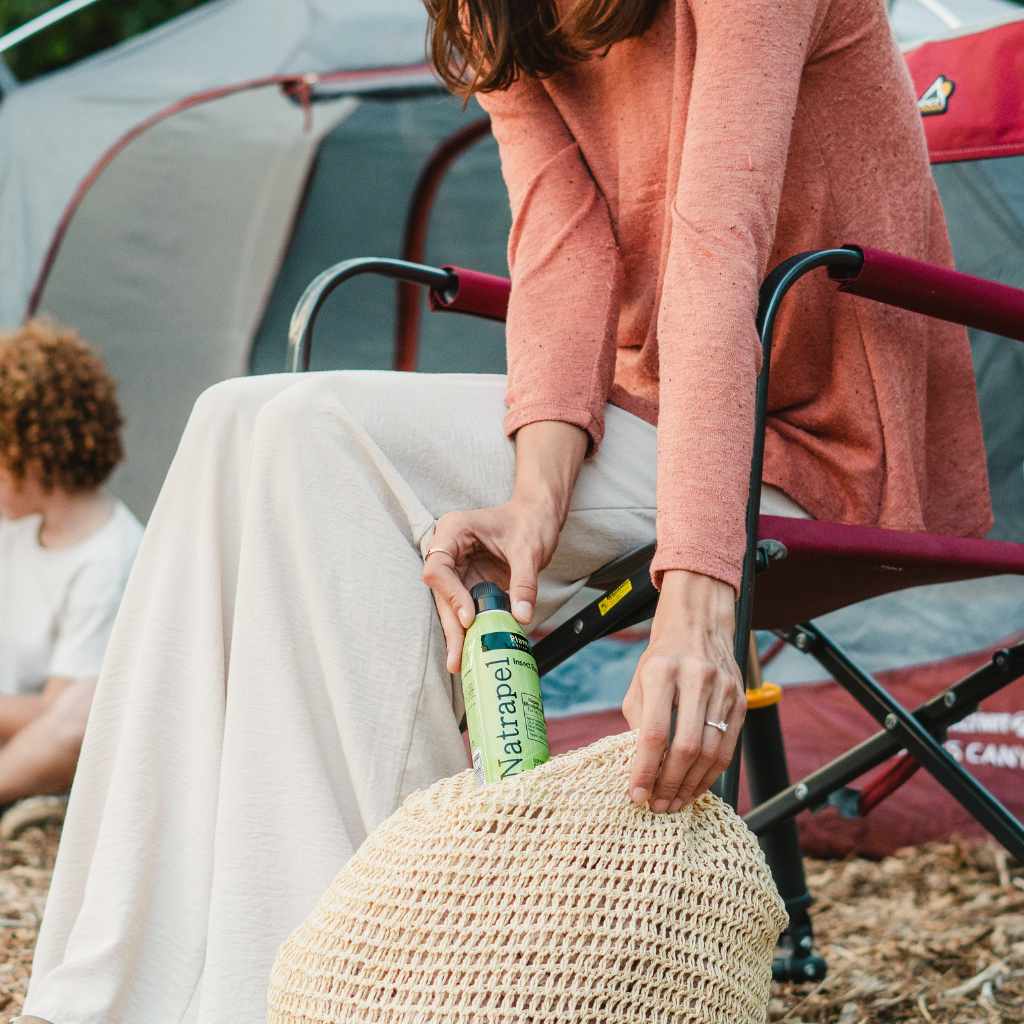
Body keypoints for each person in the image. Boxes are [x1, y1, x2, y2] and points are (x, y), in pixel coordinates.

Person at [17, 1, 992, 1021]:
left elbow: (718, 247)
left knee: (326, 440)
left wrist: (697, 605)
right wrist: (534, 496)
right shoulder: (495, 8)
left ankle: (359, 978)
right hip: (650, 412)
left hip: (821, 440)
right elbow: (561, 251)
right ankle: (130, 988)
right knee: (245, 421)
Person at [0, 319, 143, 837]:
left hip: (44, 743)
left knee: (76, 717)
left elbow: (54, 710)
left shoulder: (108, 555)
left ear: (32, 457)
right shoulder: (19, 522)